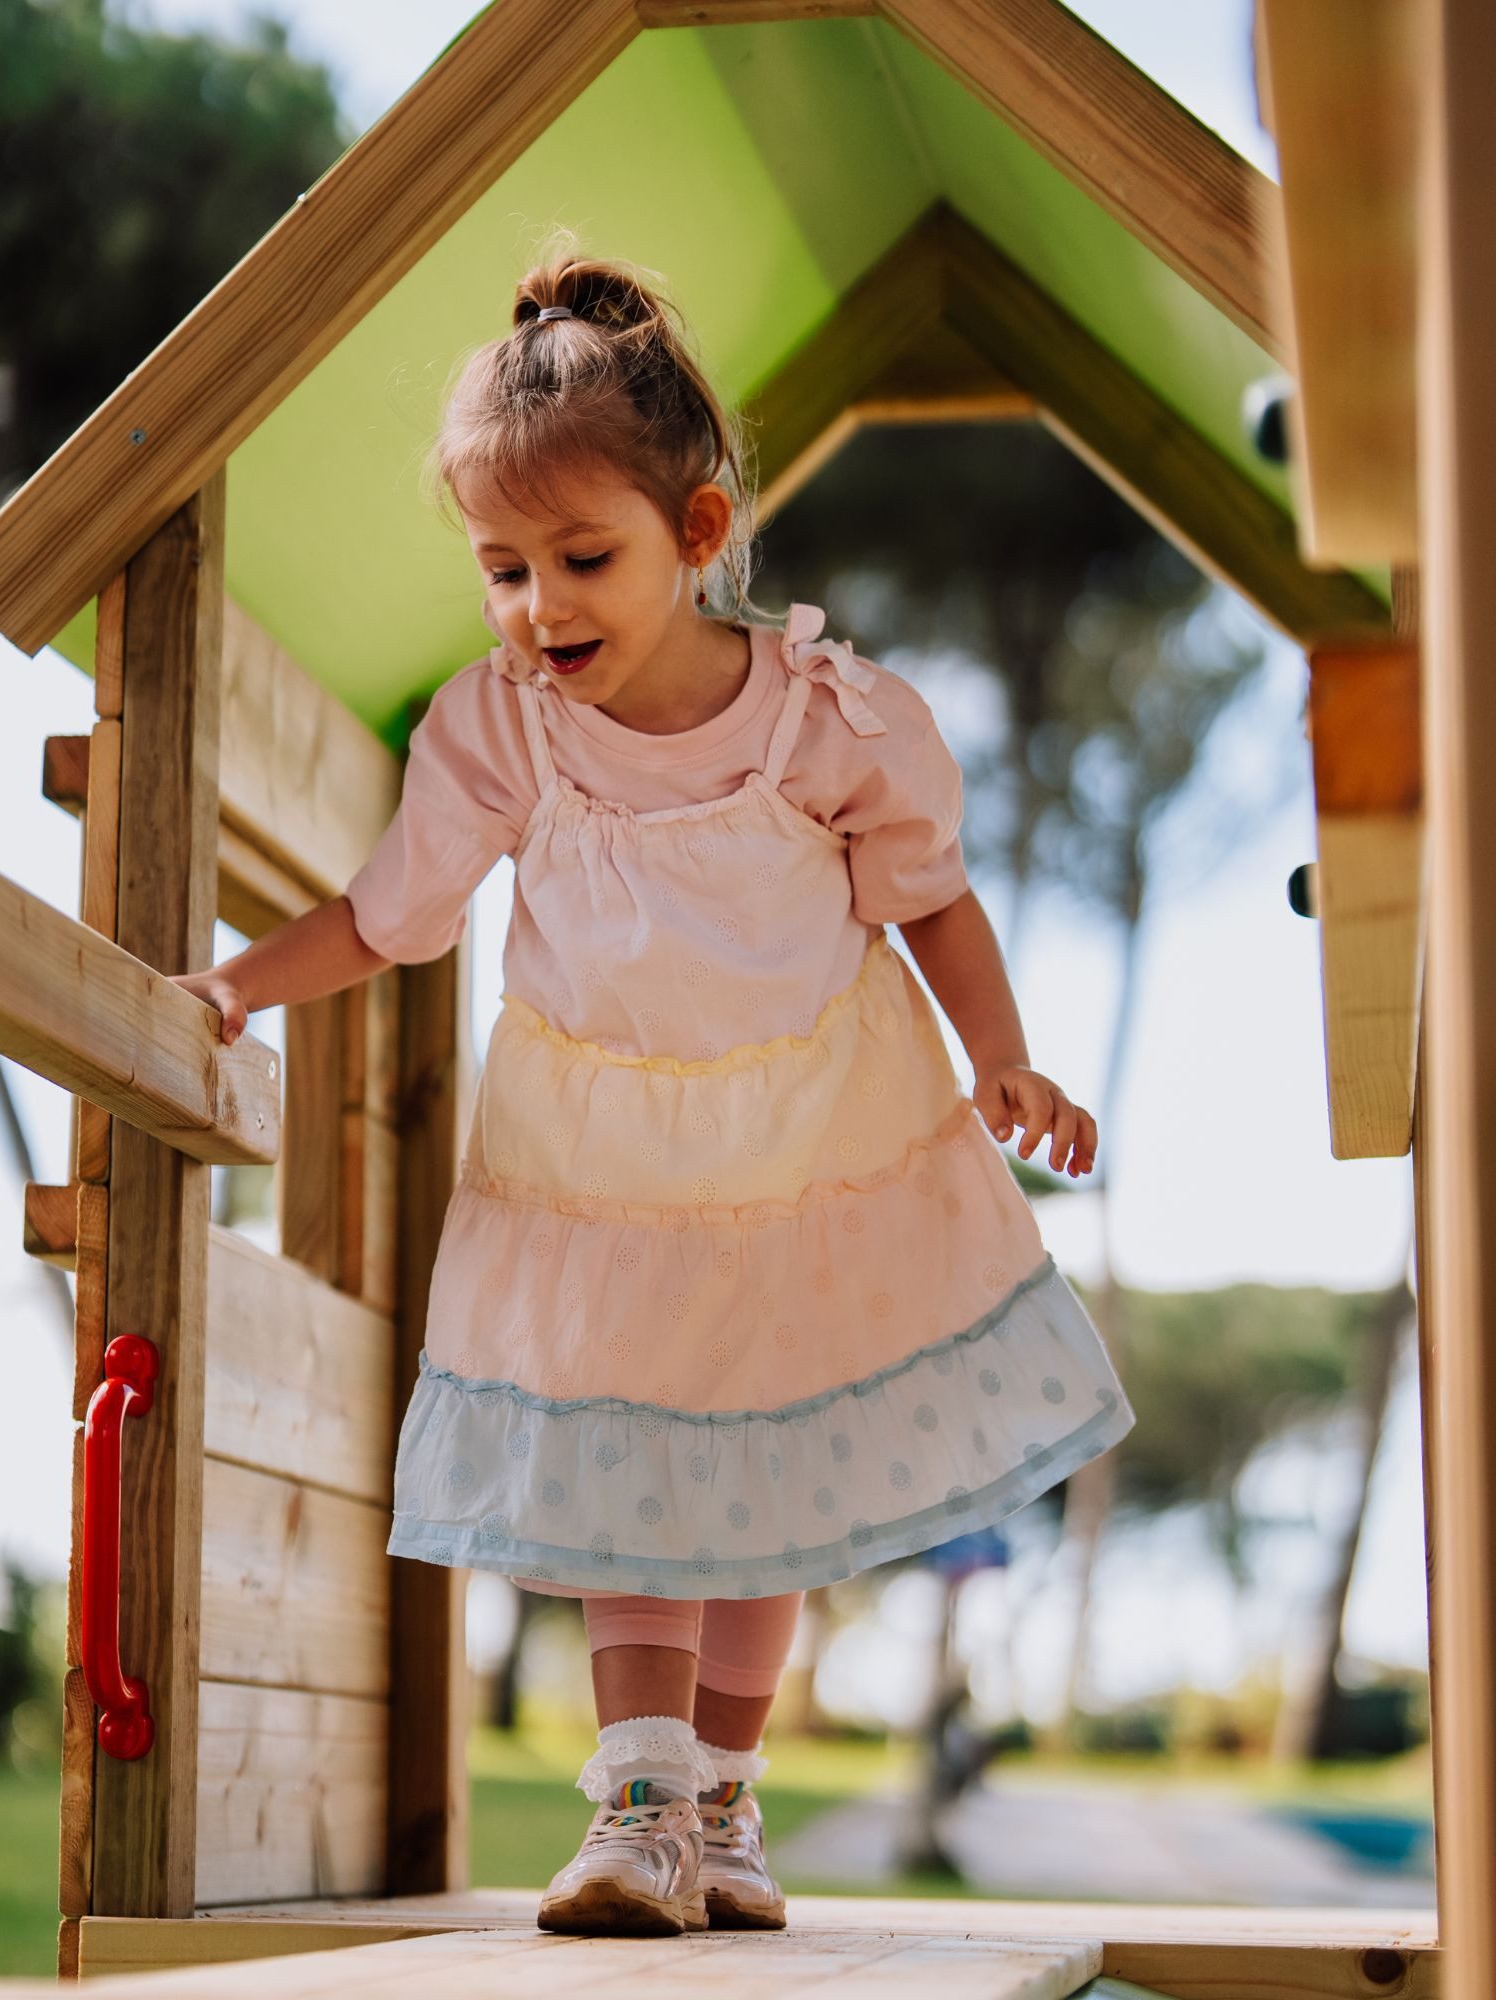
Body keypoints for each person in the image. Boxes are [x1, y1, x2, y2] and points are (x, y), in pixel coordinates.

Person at [168, 242, 1135, 1938]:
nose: (542, 608)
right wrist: (239, 982)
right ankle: (636, 1805)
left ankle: (726, 1812)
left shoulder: (830, 722)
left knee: (762, 1491)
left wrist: (1006, 1061)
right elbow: (390, 918)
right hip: (601, 1161)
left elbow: (931, 901)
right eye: (502, 568)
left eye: (581, 558)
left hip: (806, 1144)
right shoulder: (503, 734)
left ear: (696, 538)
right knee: (625, 1455)